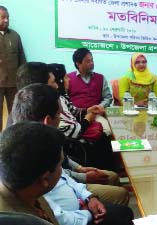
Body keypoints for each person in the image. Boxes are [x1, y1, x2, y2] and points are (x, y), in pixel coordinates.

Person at [12, 84, 134, 225]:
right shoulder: (25, 157)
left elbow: (63, 176)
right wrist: (85, 212)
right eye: (59, 115)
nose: (60, 83)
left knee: (120, 205)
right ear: (47, 120)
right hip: (76, 216)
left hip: (78, 201)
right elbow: (56, 215)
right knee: (123, 212)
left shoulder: (42, 141)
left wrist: (89, 197)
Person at [0, 122, 64, 225]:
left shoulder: (24, 189)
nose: (62, 169)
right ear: (45, 179)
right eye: (61, 164)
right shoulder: (21, 221)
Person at [0, 5, 26, 129]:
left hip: (13, 84)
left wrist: (23, 82)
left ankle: (12, 141)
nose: (6, 20)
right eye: (3, 17)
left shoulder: (15, 36)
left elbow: (22, 60)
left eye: (7, 17)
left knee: (15, 115)